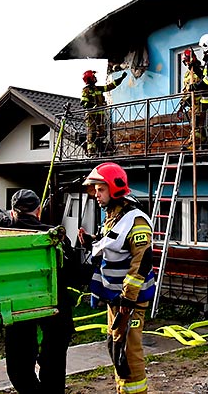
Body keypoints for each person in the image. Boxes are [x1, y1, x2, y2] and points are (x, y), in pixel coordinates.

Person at [78, 162, 155, 394]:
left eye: (100, 189)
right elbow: (114, 246)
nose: (96, 195)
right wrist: (91, 241)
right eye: (95, 190)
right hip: (116, 299)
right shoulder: (114, 215)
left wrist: (127, 300)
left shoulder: (136, 221)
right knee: (115, 346)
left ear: (114, 188)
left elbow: (141, 264)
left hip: (129, 301)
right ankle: (123, 389)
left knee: (129, 352)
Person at [4, 189, 75, 394]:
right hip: (56, 308)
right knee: (53, 366)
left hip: (18, 308)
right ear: (38, 211)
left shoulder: (3, 236)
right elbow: (73, 274)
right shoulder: (54, 235)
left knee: (19, 368)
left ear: (12, 211)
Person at [81, 69, 127, 156]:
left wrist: (121, 78)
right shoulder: (86, 90)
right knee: (92, 133)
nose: (95, 78)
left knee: (101, 133)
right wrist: (91, 106)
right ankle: (91, 152)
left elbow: (109, 86)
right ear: (90, 79)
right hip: (91, 116)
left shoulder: (98, 88)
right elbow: (83, 103)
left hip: (100, 115)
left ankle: (99, 150)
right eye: (93, 77)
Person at [178, 48, 203, 148]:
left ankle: (195, 143)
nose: (186, 63)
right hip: (191, 105)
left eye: (187, 60)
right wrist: (183, 101)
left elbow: (203, 86)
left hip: (201, 103)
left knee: (197, 125)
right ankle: (193, 140)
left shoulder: (200, 70)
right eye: (184, 62)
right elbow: (185, 89)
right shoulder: (187, 74)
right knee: (193, 124)